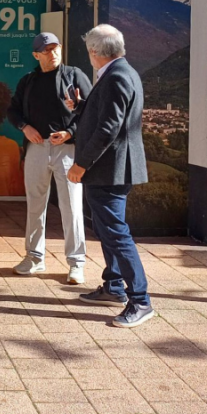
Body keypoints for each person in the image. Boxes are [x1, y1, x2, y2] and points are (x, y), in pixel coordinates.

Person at [68, 25, 154, 328]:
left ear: (94, 52)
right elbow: (106, 116)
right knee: (108, 230)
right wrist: (79, 106)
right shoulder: (122, 72)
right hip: (111, 170)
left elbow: (109, 128)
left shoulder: (116, 77)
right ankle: (115, 287)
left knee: (116, 233)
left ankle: (140, 300)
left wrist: (81, 164)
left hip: (109, 171)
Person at [7, 32, 93, 283]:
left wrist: (70, 133)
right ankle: (34, 258)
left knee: (71, 206)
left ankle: (76, 263)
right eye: (46, 50)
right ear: (36, 55)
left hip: (67, 149)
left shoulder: (74, 75)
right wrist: (25, 127)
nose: (52, 53)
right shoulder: (28, 80)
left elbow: (90, 110)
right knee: (36, 205)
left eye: (55, 48)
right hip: (37, 148)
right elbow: (12, 110)